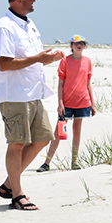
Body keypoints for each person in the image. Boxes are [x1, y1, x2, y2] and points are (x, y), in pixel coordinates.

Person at [0, 0, 64, 211]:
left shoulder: (29, 25)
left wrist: (49, 57)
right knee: (17, 144)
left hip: (34, 92)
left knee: (43, 138)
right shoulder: (4, 27)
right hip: (14, 95)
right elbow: (2, 64)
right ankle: (17, 194)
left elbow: (33, 56)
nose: (33, 2)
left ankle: (8, 184)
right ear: (17, 0)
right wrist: (38, 59)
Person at [38, 34, 96, 172]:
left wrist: (92, 104)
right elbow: (60, 84)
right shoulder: (65, 61)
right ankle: (47, 163)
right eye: (76, 43)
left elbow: (88, 83)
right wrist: (60, 103)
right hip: (67, 103)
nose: (79, 45)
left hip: (82, 101)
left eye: (82, 43)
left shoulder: (87, 61)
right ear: (71, 46)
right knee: (58, 132)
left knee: (77, 131)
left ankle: (74, 162)